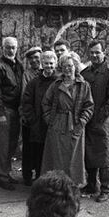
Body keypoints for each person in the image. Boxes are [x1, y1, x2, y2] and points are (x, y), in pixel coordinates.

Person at [41, 52, 94, 186]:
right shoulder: (56, 85)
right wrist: (49, 119)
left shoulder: (83, 85)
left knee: (73, 158)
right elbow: (45, 103)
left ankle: (72, 185)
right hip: (57, 123)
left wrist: (82, 122)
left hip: (75, 124)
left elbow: (89, 106)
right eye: (64, 66)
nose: (68, 69)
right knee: (56, 157)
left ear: (75, 66)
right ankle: (56, 185)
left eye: (70, 66)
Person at [81, 41, 109, 202]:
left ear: (104, 52)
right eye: (91, 52)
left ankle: (105, 188)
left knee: (105, 156)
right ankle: (91, 185)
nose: (94, 55)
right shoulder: (85, 73)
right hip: (88, 121)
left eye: (97, 52)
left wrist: (100, 114)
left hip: (103, 121)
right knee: (89, 154)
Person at [0, 36, 24, 190]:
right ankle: (2, 175)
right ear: (2, 48)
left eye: (13, 47)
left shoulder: (18, 65)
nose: (11, 50)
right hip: (4, 110)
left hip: (16, 110)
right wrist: (0, 113)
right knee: (3, 144)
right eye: (8, 47)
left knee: (12, 143)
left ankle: (6, 172)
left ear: (17, 48)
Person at [22, 49, 57, 180]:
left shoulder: (59, 81)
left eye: (51, 63)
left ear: (55, 64)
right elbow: (26, 103)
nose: (49, 66)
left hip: (53, 125)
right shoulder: (34, 83)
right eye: (46, 63)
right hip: (37, 125)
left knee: (52, 154)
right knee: (37, 154)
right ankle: (38, 181)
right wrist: (33, 120)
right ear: (42, 64)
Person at [21, 46, 42, 185]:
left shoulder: (46, 71)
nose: (34, 60)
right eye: (31, 58)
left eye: (36, 57)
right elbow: (24, 95)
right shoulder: (27, 74)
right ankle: (27, 175)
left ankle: (39, 174)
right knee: (28, 147)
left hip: (42, 116)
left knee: (40, 148)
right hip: (30, 116)